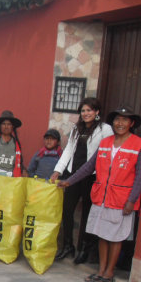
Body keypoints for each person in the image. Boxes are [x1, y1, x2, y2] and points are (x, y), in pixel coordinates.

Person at [58, 106, 141, 282]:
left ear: (131, 123)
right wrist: (70, 181)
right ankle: (100, 270)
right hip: (102, 197)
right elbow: (89, 166)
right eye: (117, 120)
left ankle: (109, 272)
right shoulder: (106, 142)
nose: (120, 123)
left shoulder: (139, 145)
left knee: (115, 237)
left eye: (124, 120)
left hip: (121, 200)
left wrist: (131, 200)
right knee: (102, 235)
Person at [50, 98, 114, 264]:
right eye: (83, 111)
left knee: (87, 212)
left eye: (89, 110)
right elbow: (68, 151)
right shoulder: (76, 129)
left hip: (92, 176)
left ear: (97, 112)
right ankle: (68, 245)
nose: (86, 114)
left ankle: (85, 247)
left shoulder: (105, 129)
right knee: (67, 210)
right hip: (72, 175)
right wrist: (58, 170)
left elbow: (104, 154)